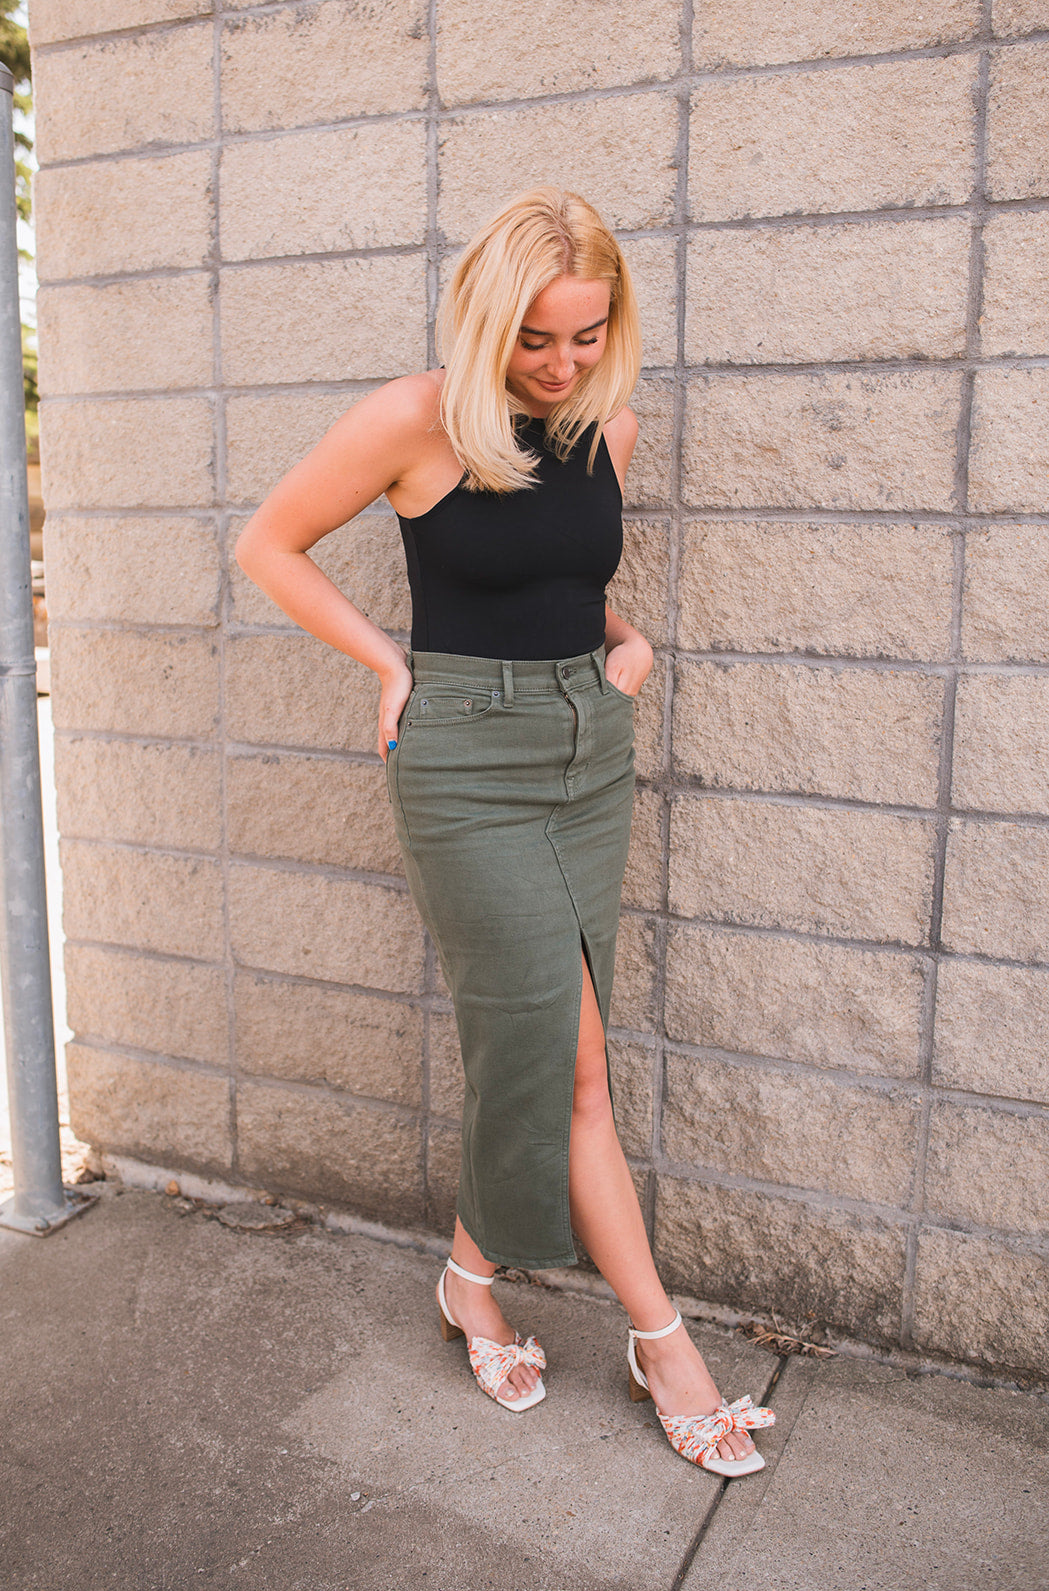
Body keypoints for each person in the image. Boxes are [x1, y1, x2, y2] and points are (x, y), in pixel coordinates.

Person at [234, 188, 774, 1476]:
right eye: (537, 338)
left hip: (590, 751)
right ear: (485, 320)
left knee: (548, 1054)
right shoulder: (412, 419)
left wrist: (628, 645)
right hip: (466, 762)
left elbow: (566, 580)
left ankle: (470, 1280)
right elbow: (270, 545)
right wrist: (389, 662)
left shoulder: (605, 426)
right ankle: (667, 1348)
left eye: (588, 335)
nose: (564, 363)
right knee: (568, 1062)